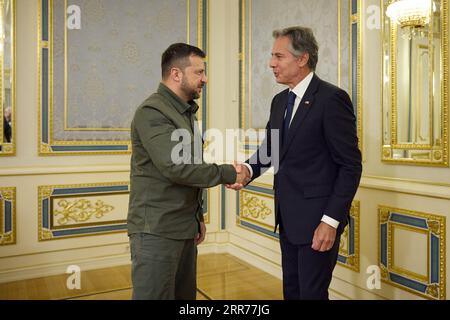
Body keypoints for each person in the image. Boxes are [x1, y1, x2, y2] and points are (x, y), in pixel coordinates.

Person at [228, 27, 362, 300]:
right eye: (272, 56)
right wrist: (247, 171)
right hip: (288, 219)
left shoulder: (332, 99)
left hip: (318, 222)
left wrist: (330, 221)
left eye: (279, 56)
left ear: (302, 59)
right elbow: (271, 150)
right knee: (292, 291)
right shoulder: (280, 102)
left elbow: (351, 165)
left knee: (311, 294)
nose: (271, 63)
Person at [127, 43, 249, 300]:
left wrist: (197, 218)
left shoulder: (185, 113)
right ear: (176, 74)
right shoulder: (153, 111)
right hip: (157, 231)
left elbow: (190, 167)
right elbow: (177, 168)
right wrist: (229, 172)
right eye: (199, 72)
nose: (205, 79)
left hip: (182, 228)